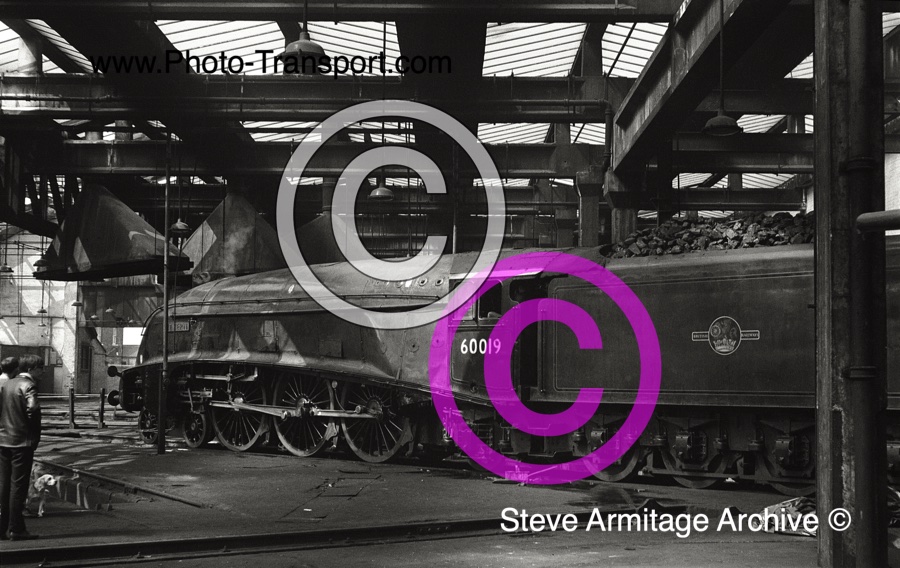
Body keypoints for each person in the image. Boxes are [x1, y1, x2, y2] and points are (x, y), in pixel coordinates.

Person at [0, 354, 43, 540]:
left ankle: (3, 529)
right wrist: (34, 435)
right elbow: (33, 410)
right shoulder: (29, 385)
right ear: (32, 369)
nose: (42, 371)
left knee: (4, 485)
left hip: (3, 440)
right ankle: (16, 529)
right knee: (19, 486)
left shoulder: (7, 384)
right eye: (41, 368)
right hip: (21, 442)